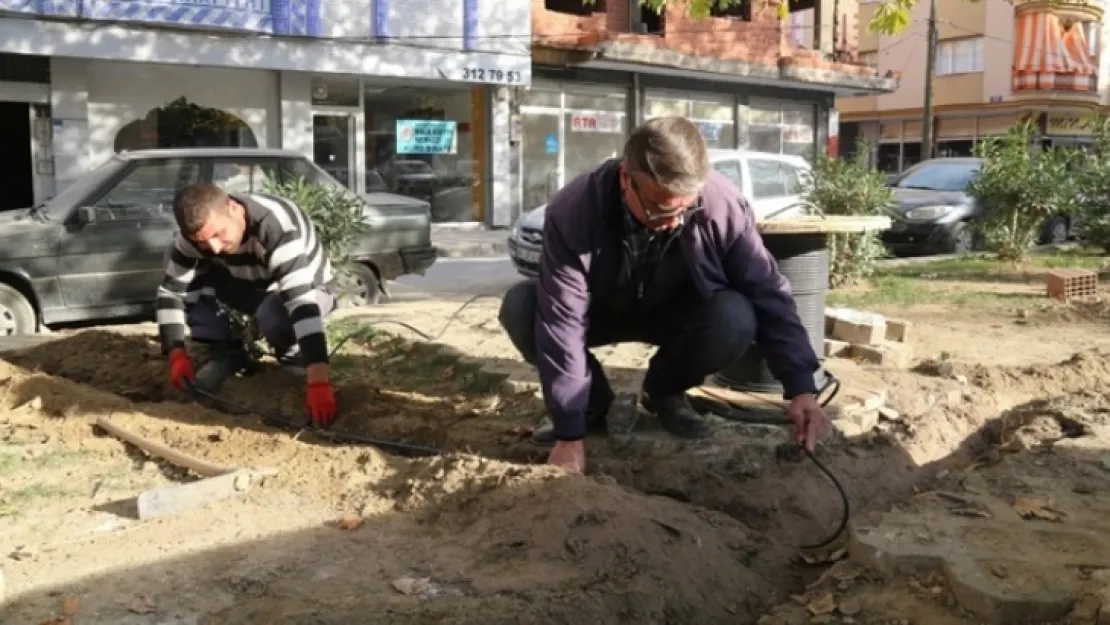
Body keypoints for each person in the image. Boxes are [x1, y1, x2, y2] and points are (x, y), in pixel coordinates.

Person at [498, 116, 830, 474]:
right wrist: (568, 434)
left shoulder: (721, 205)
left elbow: (768, 292)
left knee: (734, 317)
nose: (673, 220)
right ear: (627, 179)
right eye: (660, 207)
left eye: (684, 209)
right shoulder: (576, 209)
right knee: (522, 307)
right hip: (600, 309)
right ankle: (592, 407)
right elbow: (562, 321)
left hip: (676, 312)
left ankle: (663, 391)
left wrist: (801, 387)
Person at [155, 182, 339, 426]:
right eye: (203, 242)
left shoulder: (275, 226)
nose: (214, 247)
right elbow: (172, 293)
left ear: (233, 208)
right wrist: (176, 353)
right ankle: (227, 350)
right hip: (248, 286)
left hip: (307, 291)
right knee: (182, 265)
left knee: (272, 316)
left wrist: (319, 381)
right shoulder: (197, 238)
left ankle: (293, 355)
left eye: (219, 234)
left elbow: (300, 302)